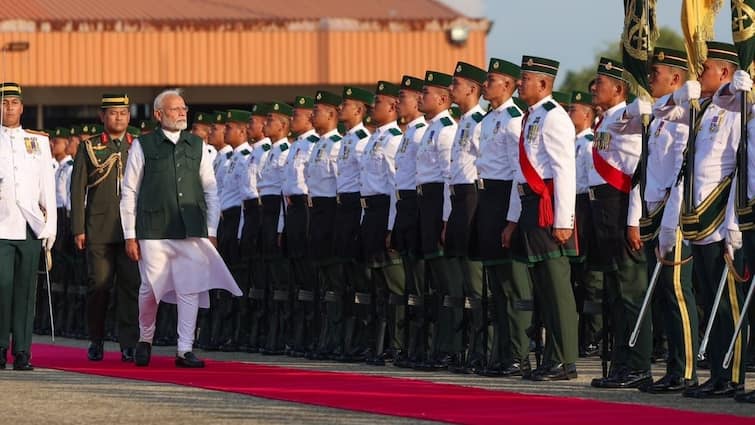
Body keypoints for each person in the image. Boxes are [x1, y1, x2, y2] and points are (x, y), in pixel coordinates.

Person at [120, 89, 242, 368]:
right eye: (175, 109)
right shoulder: (143, 145)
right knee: (151, 288)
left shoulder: (197, 145)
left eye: (184, 108)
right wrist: (130, 235)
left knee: (190, 288)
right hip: (153, 229)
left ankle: (184, 349)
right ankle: (145, 338)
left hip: (191, 228)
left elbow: (211, 190)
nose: (182, 113)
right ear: (159, 114)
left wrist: (211, 230)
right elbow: (129, 191)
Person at [665, 42, 747, 399]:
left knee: (727, 302)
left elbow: (737, 169)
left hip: (719, 217)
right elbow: (660, 111)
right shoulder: (705, 109)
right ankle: (716, 371)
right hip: (698, 217)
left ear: (726, 73)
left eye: (705, 70)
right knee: (708, 297)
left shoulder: (735, 112)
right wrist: (684, 95)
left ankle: (732, 374)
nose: (698, 77)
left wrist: (731, 222)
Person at [625, 47, 699, 393]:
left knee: (677, 292)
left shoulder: (685, 115)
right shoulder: (659, 115)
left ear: (676, 79)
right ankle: (673, 368)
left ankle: (685, 370)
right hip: (655, 213)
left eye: (657, 73)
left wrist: (672, 218)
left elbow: (684, 171)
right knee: (664, 296)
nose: (650, 78)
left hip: (675, 213)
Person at [502, 56, 579, 381]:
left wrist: (565, 220)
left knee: (557, 286)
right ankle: (551, 358)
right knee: (544, 289)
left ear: (544, 84)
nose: (519, 84)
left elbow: (564, 169)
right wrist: (513, 219)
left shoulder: (554, 117)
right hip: (531, 206)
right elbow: (521, 173)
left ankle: (565, 360)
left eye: (525, 79)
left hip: (549, 209)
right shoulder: (530, 117)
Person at [70, 94, 141, 362]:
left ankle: (128, 343)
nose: (119, 117)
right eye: (113, 113)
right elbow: (77, 190)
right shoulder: (89, 147)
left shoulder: (138, 146)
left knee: (131, 286)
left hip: (130, 229)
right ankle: (96, 339)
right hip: (98, 228)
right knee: (98, 286)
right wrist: (78, 227)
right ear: (102, 117)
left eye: (123, 112)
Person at [475, 58, 533, 377]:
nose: (486, 85)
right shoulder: (488, 119)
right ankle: (500, 353)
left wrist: (512, 220)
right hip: (486, 198)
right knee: (496, 284)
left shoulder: (513, 120)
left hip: (505, 200)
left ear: (508, 86)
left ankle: (518, 354)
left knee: (513, 285)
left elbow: (517, 174)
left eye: (492, 80)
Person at [0, 82, 57, 371]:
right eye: (4, 102)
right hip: (1, 226)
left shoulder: (38, 142)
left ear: (22, 107)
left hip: (30, 227)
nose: (8, 107)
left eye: (13, 102)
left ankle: (22, 350)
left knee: (25, 291)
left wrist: (51, 229)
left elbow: (48, 187)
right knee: (2, 287)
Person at [412, 70, 458, 370]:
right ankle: (436, 346)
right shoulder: (430, 128)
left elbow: (447, 178)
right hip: (424, 203)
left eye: (425, 93)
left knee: (448, 284)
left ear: (442, 99)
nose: (420, 98)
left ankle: (450, 347)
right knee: (434, 284)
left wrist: (444, 219)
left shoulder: (445, 129)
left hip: (438, 203)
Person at [392, 76, 428, 367]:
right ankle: (410, 345)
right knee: (409, 284)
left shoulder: (422, 132)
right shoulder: (408, 134)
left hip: (418, 206)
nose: (397, 103)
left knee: (418, 280)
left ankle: (420, 345)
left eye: (402, 97)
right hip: (403, 206)